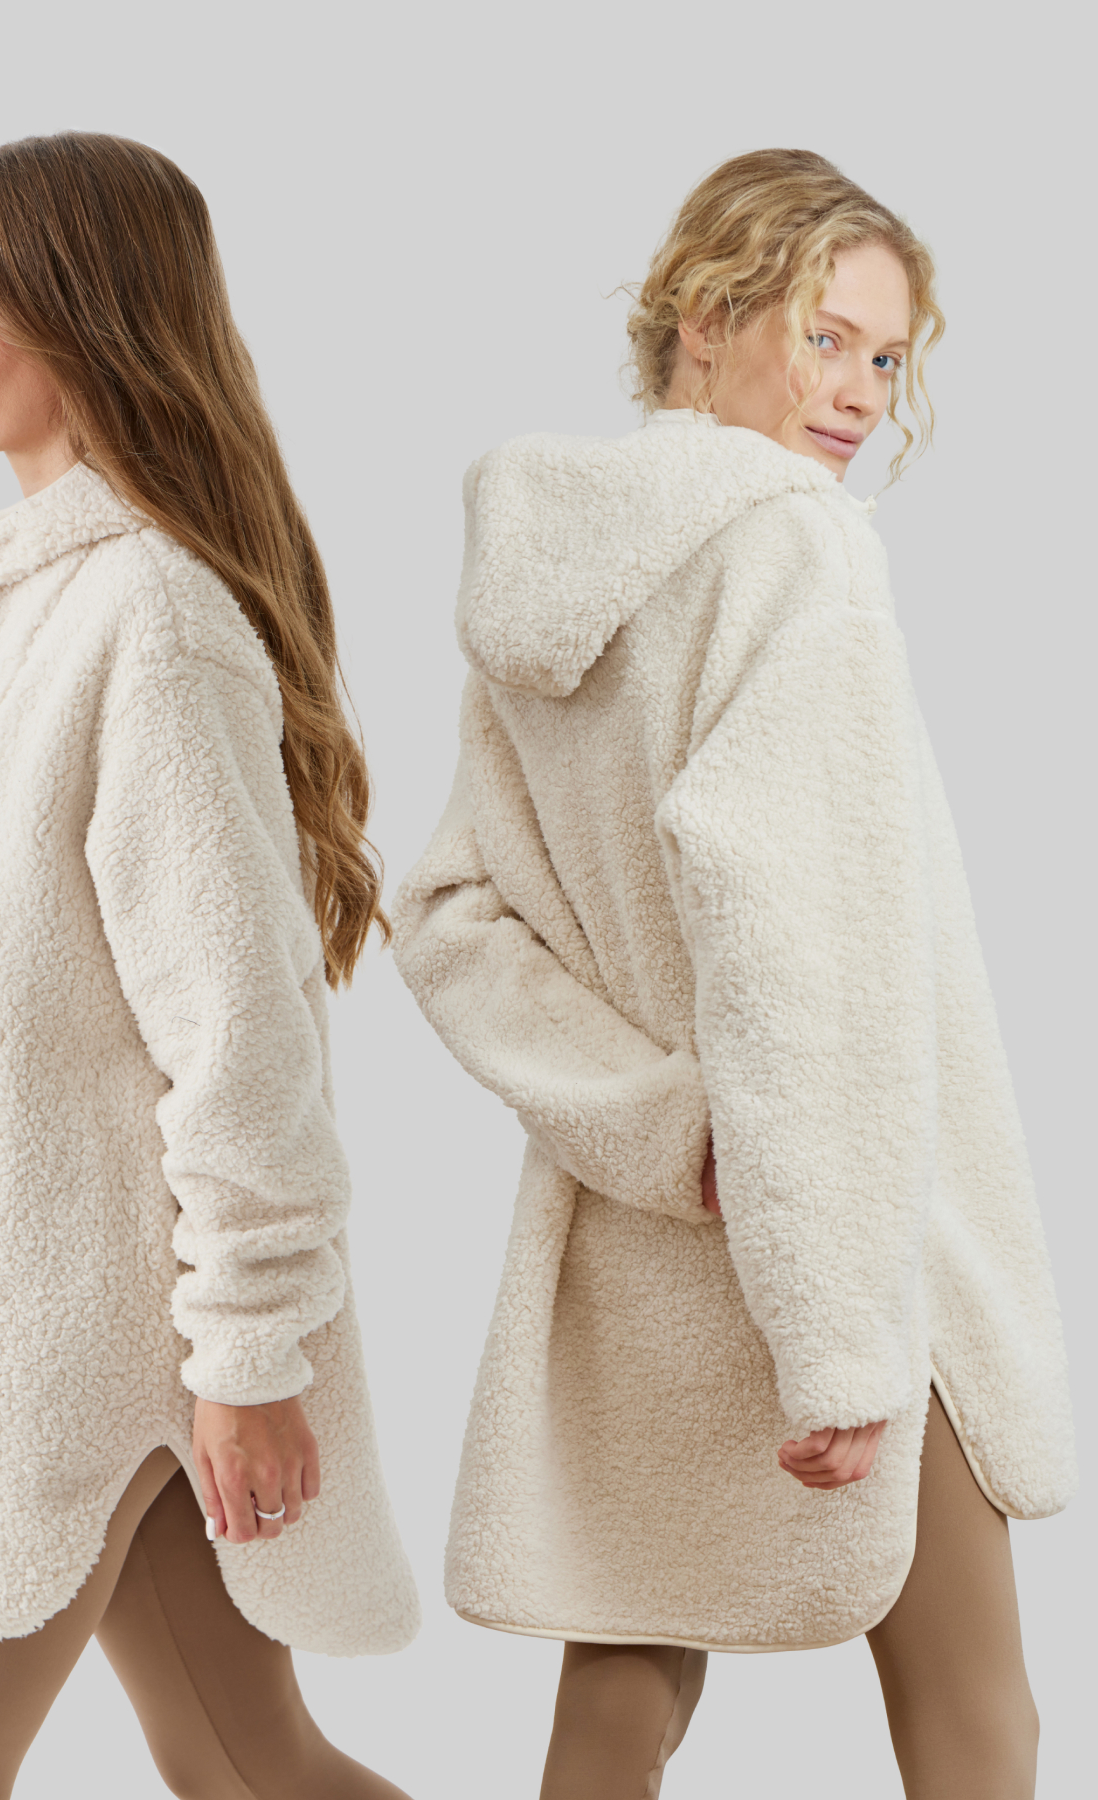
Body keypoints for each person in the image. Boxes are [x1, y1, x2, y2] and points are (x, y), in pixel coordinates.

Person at [392, 148, 1075, 1800]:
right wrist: (836, 1327)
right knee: (976, 1720)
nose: (858, 395)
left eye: (886, 358)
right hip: (848, 1233)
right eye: (824, 339)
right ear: (704, 320)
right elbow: (802, 959)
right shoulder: (795, 555)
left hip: (646, 1240)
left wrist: (649, 1120)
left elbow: (451, 916)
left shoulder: (548, 589)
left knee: (622, 1703)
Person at [0, 132, 418, 1800]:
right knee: (255, 1765)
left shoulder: (154, 625)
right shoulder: (35, 609)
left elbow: (242, 1036)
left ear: (77, 322)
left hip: (81, 1339)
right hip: (37, 1306)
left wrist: (250, 1360)